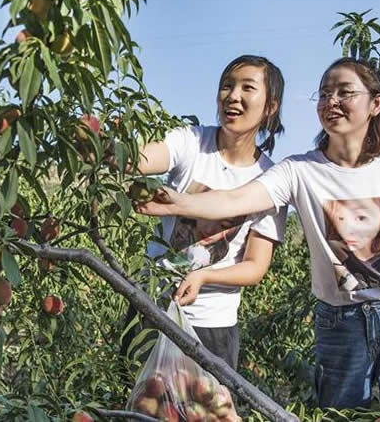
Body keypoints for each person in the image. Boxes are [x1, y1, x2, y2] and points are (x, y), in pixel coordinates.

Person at [135, 57, 380, 412]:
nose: (331, 102)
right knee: (341, 416)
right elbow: (238, 199)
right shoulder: (299, 170)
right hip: (340, 322)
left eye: (344, 92)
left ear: (376, 104)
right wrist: (179, 203)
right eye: (325, 93)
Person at [120, 55, 288, 370]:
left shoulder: (271, 180)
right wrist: (111, 150)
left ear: (270, 107)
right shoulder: (194, 141)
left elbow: (254, 265)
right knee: (138, 408)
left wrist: (205, 275)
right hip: (151, 310)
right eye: (227, 86)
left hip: (211, 324)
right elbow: (144, 158)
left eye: (247, 88)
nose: (233, 96)